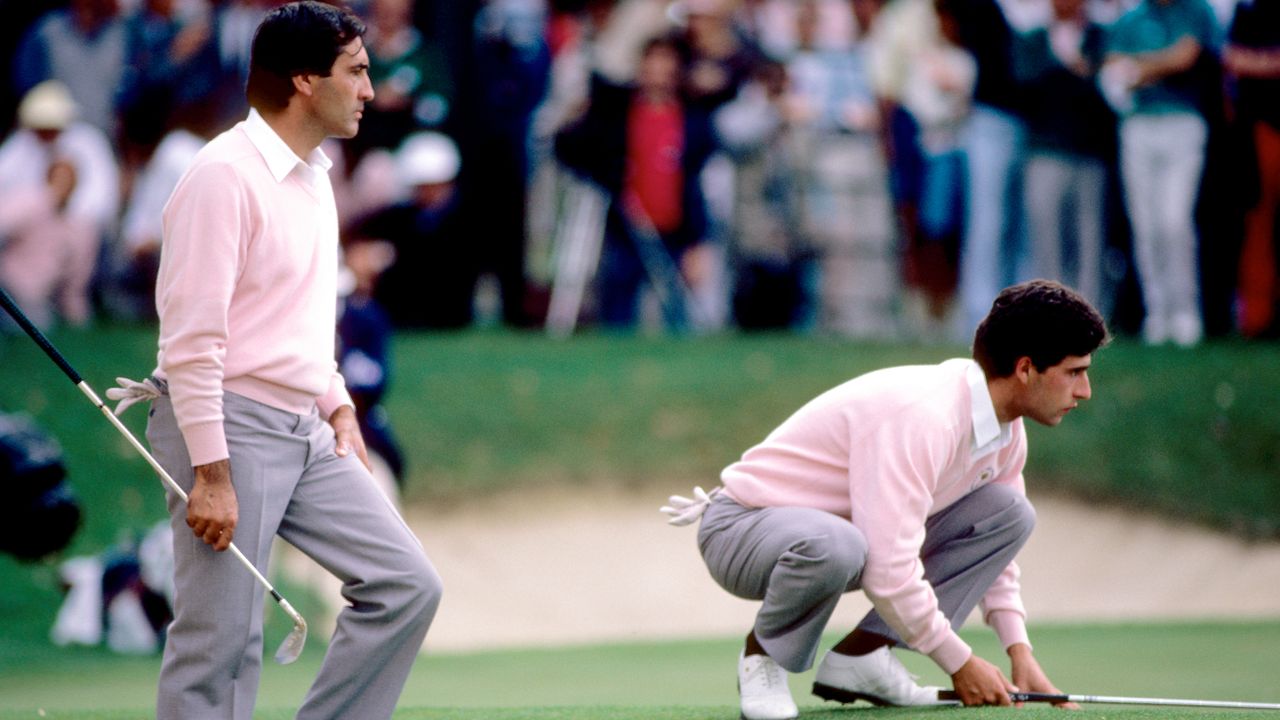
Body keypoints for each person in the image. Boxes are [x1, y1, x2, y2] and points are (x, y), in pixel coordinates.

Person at [123, 4, 442, 718]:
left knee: (405, 584)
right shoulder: (222, 176)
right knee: (221, 645)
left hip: (308, 426)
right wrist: (210, 472)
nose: (369, 88)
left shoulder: (314, 174)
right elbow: (192, 343)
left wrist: (338, 405)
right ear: (304, 80)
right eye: (356, 71)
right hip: (227, 429)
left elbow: (301, 319)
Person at [664, 279, 1107, 720]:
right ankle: (764, 658)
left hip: (836, 541)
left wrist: (1019, 651)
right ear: (1026, 369)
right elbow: (888, 571)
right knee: (840, 545)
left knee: (1010, 514)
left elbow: (995, 550)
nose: (1084, 391)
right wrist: (960, 662)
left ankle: (862, 659)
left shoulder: (1005, 431)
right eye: (1074, 372)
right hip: (743, 527)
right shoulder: (926, 419)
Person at [1102, 0, 1221, 346]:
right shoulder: (1131, 18)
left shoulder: (1196, 11)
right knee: (1146, 225)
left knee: (1174, 221)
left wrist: (1139, 69)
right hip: (1138, 125)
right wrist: (1157, 65)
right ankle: (1158, 313)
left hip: (1182, 122)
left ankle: (1185, 311)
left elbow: (1187, 55)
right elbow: (1112, 67)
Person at [1224, 0, 1280, 338]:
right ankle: (1257, 317)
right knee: (1258, 223)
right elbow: (1232, 58)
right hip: (1260, 128)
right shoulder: (1249, 12)